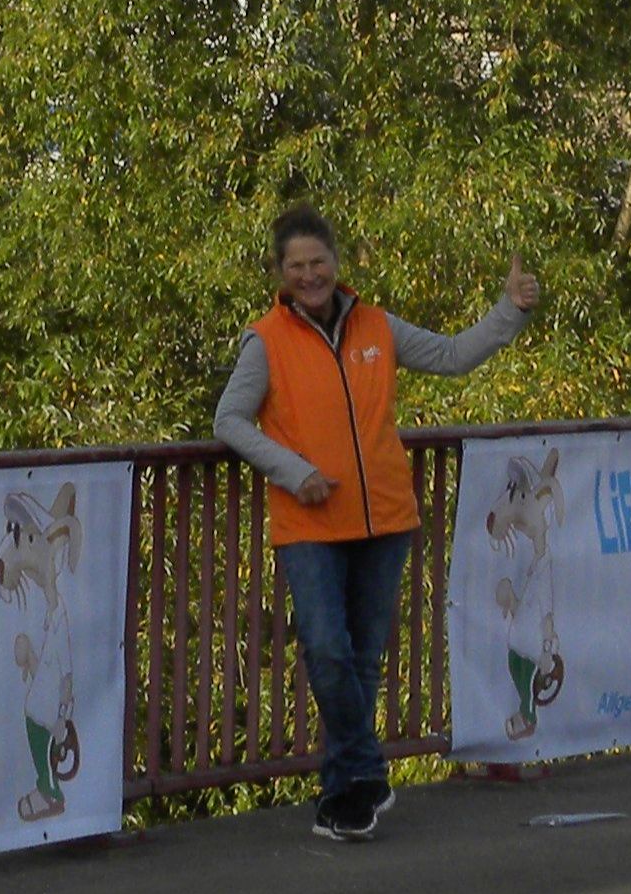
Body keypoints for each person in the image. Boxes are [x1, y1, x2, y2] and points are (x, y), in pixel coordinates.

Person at [215, 206, 537, 842]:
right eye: (296, 266)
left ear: (336, 264)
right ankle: (367, 769)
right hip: (310, 521)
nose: (310, 275)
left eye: (318, 262)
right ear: (279, 274)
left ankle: (345, 802)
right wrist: (293, 469)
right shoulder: (266, 341)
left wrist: (510, 312)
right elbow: (229, 420)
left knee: (363, 663)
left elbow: (450, 356)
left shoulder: (376, 326)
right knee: (327, 651)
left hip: (385, 516)